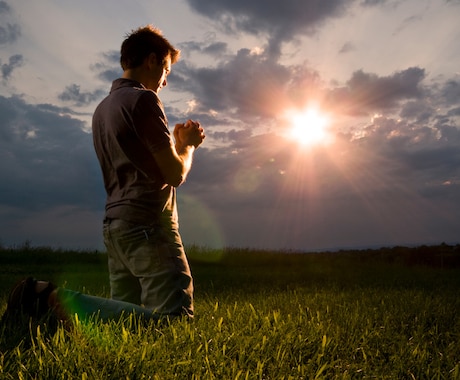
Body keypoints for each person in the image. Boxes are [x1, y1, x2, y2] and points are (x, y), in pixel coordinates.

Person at [92, 25, 205, 319]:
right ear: (152, 60)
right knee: (174, 319)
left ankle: (52, 304)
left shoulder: (102, 109)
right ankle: (49, 299)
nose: (165, 81)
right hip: (147, 223)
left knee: (123, 319)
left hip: (114, 225)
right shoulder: (143, 99)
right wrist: (188, 146)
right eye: (166, 70)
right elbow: (174, 175)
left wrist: (176, 143)